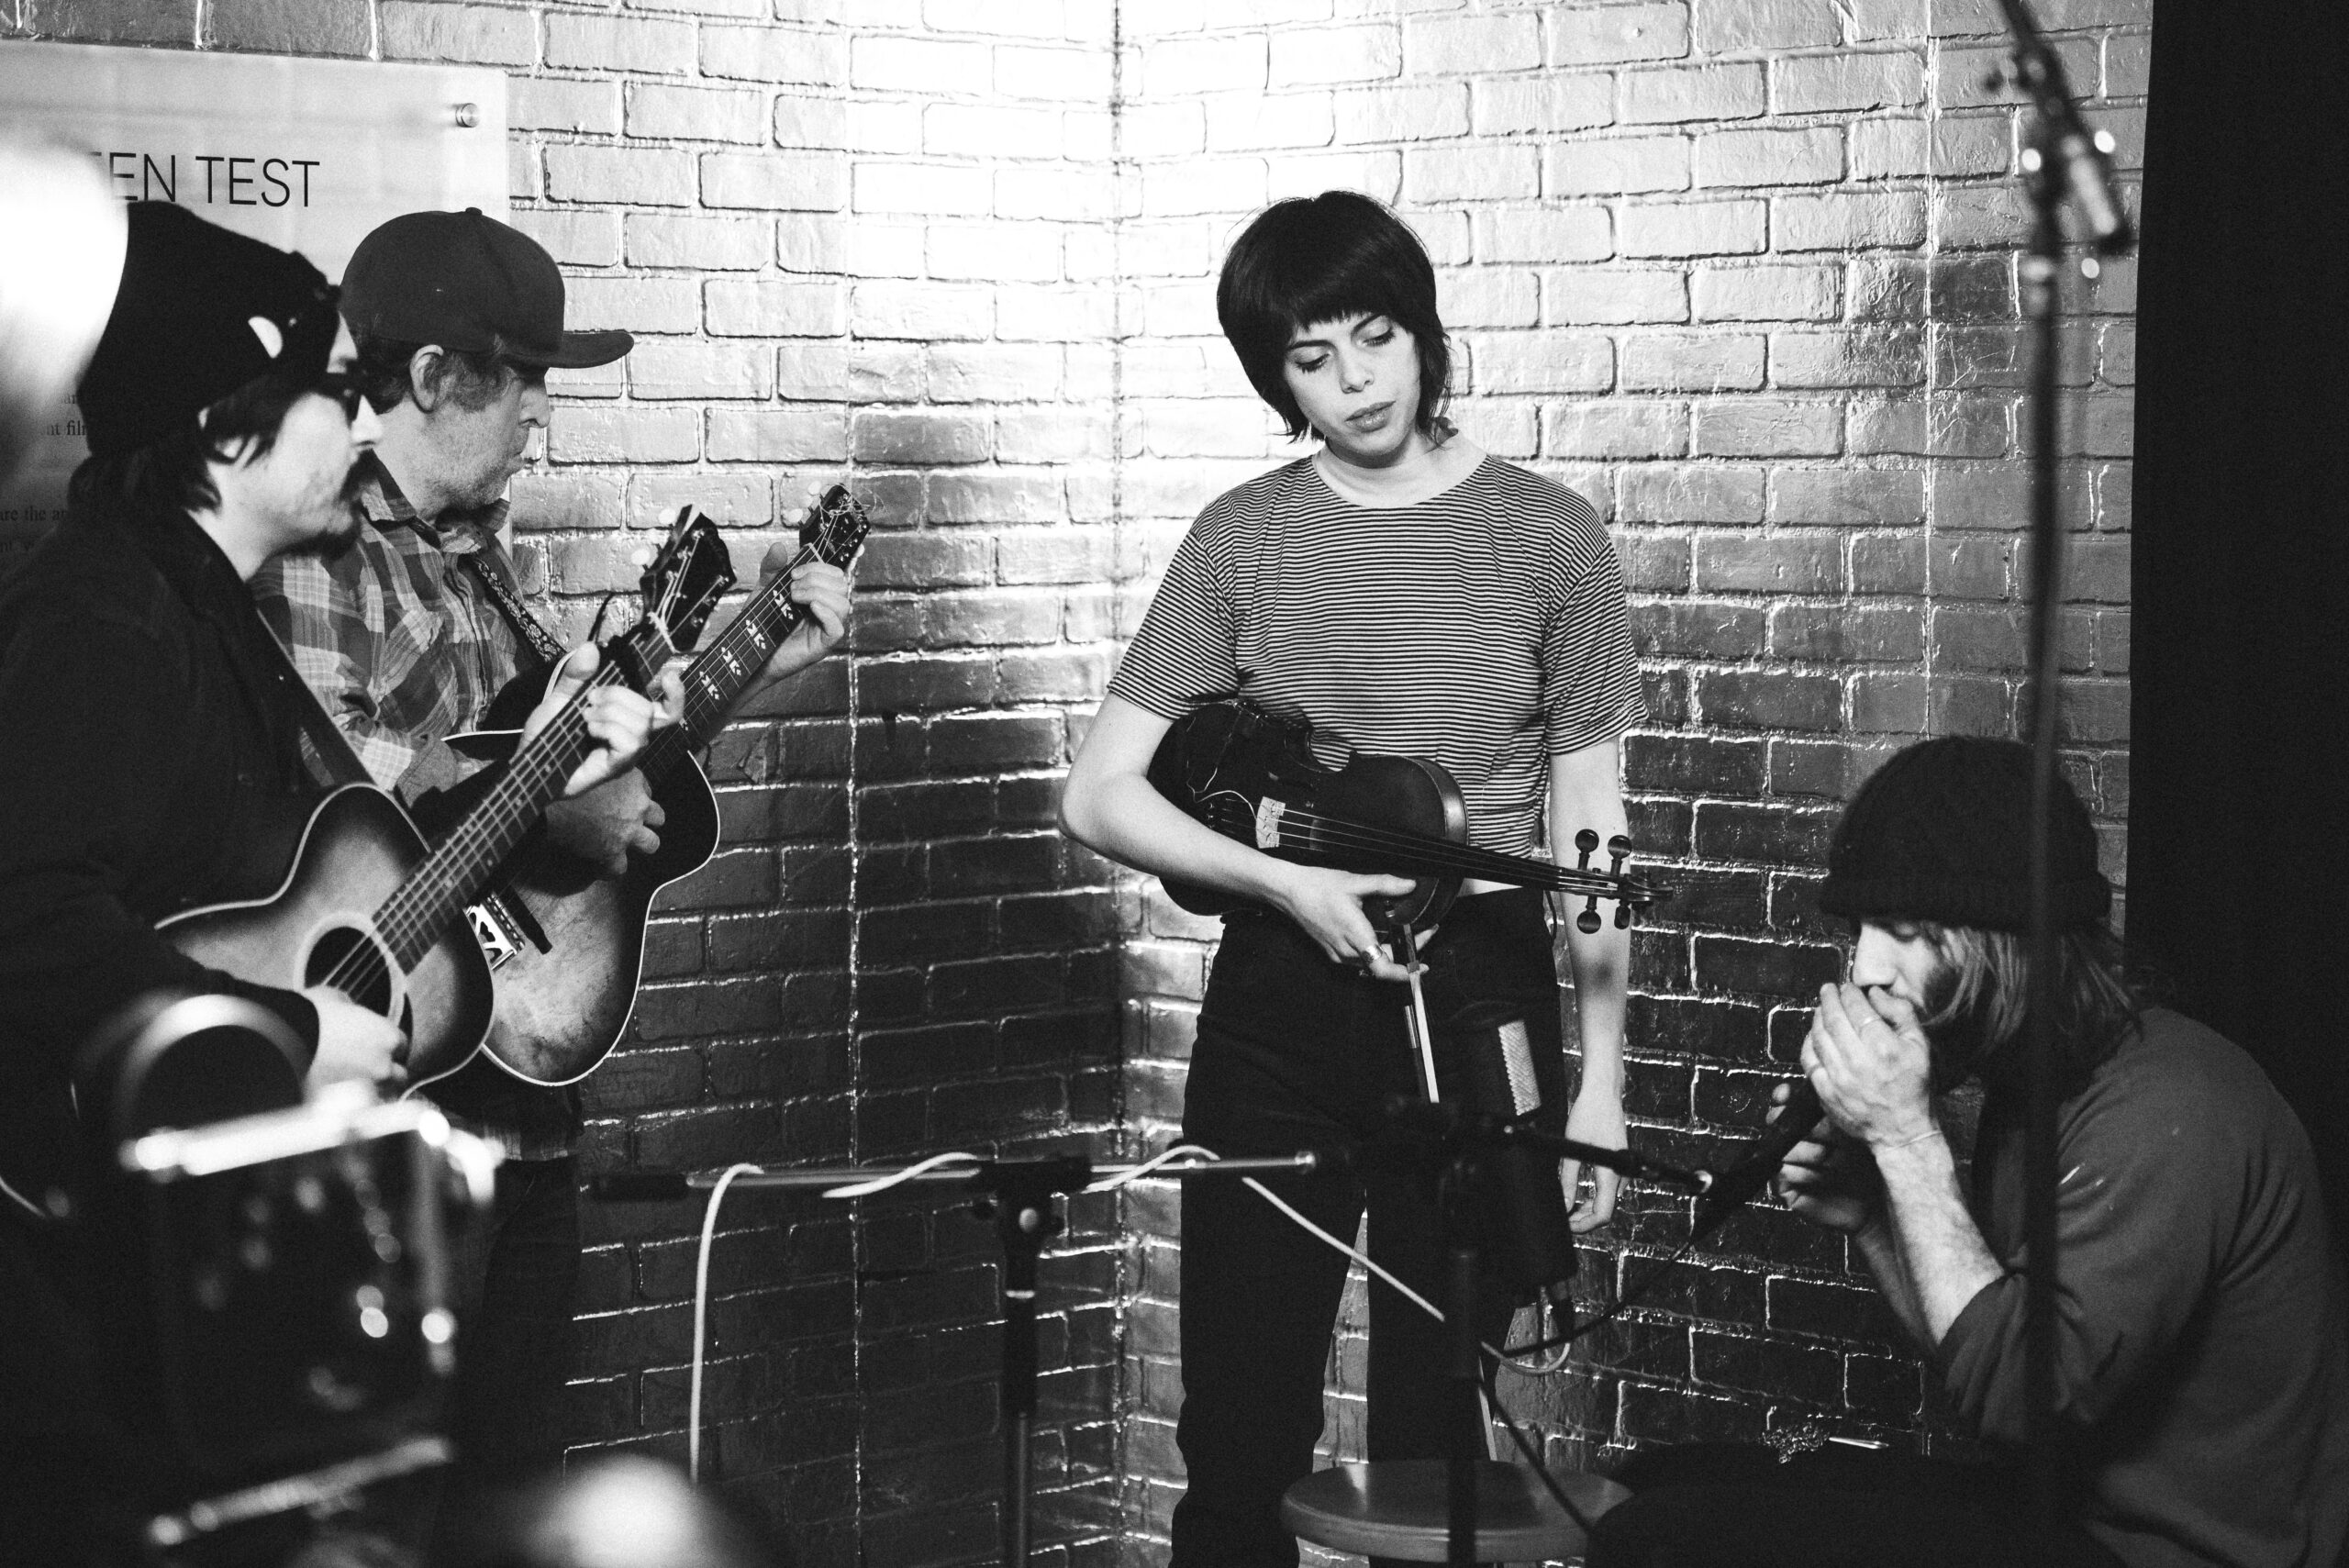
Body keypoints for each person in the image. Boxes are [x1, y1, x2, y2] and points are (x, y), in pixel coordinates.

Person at [0, 203, 652, 1563]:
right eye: (330, 396)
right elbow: (26, 911)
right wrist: (292, 1034)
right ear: (232, 425)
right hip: (101, 1301)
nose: (361, 430)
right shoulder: (102, 618)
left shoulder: (202, 606)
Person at [1058, 190, 1642, 1564]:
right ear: (1277, 379)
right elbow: (1097, 791)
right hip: (1283, 1006)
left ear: (1423, 329)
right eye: (1310, 362)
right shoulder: (1242, 536)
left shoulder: (1553, 537)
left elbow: (1592, 838)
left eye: (1375, 338)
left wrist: (1604, 1086)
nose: (1354, 382)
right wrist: (1281, 885)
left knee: (1437, 1439)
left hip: (1482, 1000)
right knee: (1242, 1435)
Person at [250, 206, 851, 1505]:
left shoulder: (483, 554)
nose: (539, 418)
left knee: (511, 1488)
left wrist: (749, 672)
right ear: (426, 380)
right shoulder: (320, 553)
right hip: (395, 1111)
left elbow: (577, 774)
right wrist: (544, 812)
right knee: (389, 1494)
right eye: (523, 382)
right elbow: (337, 834)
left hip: (522, 1107)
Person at [1588, 737, 2349, 1568]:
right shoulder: (2027, 1091)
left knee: (1655, 1542)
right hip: (2063, 1517)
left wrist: (1907, 1139)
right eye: (1862, 929)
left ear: (2002, 944)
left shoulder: (2172, 1106)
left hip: (2163, 1555)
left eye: (1904, 930)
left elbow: (2022, 1398)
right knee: (1658, 1479)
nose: (1866, 967)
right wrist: (1874, 1218)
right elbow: (1985, 1353)